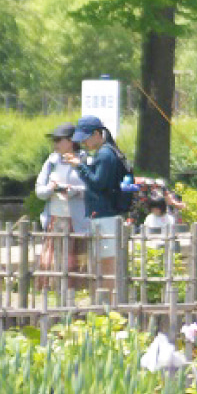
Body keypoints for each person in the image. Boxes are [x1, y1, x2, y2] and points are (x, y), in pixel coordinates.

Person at [72, 115, 130, 277]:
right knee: (101, 263)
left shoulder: (105, 155)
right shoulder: (107, 152)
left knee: (107, 264)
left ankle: (108, 300)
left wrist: (79, 166)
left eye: (86, 138)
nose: (83, 143)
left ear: (97, 134)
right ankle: (104, 299)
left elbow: (98, 183)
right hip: (104, 215)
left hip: (107, 216)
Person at [34, 122, 88, 289]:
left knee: (74, 257)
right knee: (53, 257)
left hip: (76, 217)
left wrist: (74, 191)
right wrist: (51, 188)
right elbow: (39, 191)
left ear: (71, 141)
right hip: (55, 217)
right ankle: (51, 289)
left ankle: (75, 289)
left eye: (59, 140)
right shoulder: (51, 162)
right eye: (54, 140)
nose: (55, 144)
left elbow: (94, 189)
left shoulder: (85, 160)